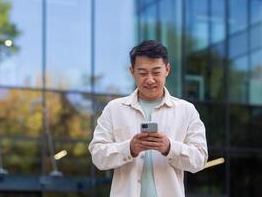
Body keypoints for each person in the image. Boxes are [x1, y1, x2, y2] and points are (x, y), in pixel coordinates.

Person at [89, 40, 208, 197]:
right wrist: (129, 148)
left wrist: (169, 147)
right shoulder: (114, 109)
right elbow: (97, 155)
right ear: (132, 71)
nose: (150, 79)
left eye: (156, 72)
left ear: (167, 69)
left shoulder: (186, 110)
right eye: (143, 73)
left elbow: (200, 159)